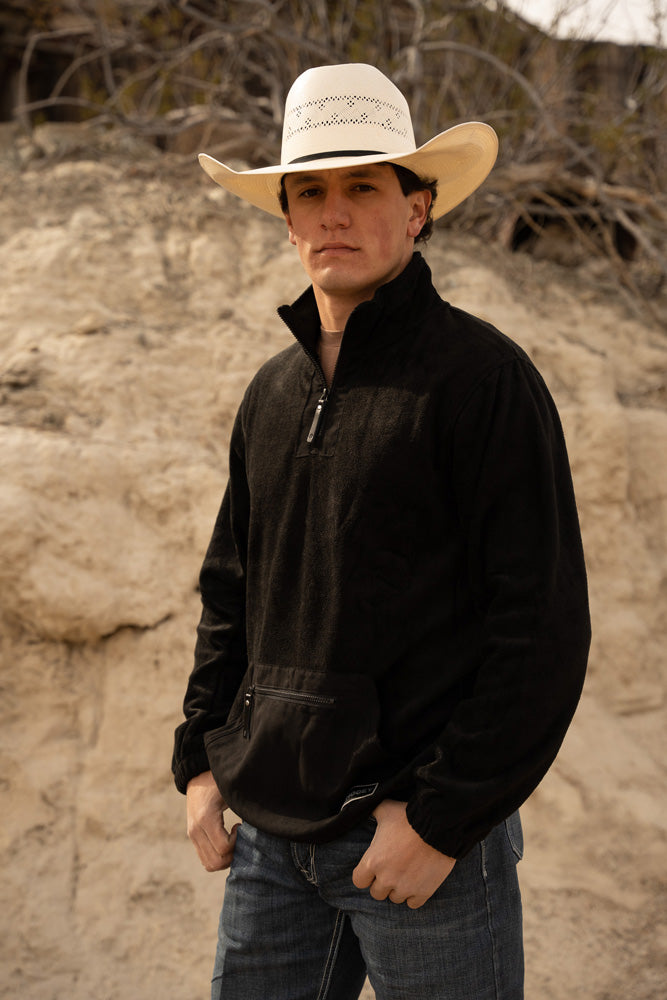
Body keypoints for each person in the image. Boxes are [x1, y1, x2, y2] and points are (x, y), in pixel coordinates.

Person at [172, 63, 590, 1000]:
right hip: (273, 841)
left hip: (416, 847)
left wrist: (442, 820)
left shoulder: (482, 382)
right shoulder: (271, 395)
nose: (333, 213)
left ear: (417, 208)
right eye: (310, 191)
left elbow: (541, 629)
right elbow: (231, 592)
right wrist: (200, 756)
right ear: (285, 220)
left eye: (364, 185)